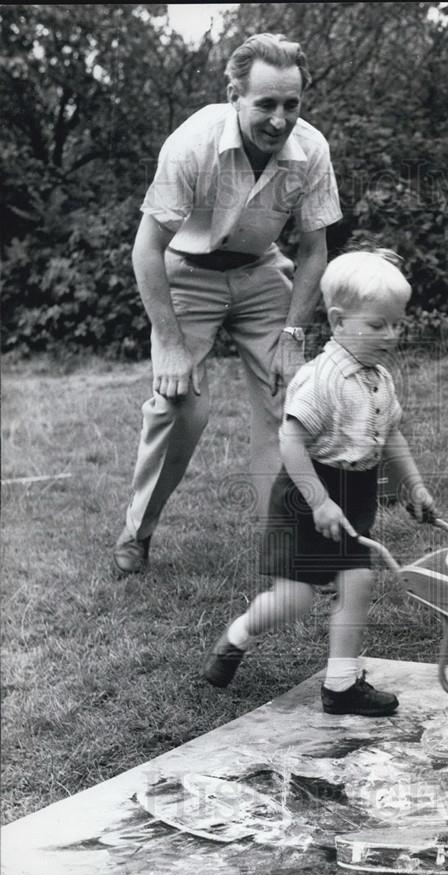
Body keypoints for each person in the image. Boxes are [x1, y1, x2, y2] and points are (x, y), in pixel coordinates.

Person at [112, 33, 342, 575]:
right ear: (234, 94)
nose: (279, 119)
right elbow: (147, 247)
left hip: (261, 272)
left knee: (291, 400)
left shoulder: (312, 151)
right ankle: (137, 532)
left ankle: (283, 546)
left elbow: (314, 251)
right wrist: (168, 343)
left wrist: (292, 337)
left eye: (292, 104)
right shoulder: (192, 142)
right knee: (180, 405)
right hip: (188, 274)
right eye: (266, 103)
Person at [202, 249, 436, 716]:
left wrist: (413, 486)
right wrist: (320, 502)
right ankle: (238, 635)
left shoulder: (379, 379)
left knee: (358, 581)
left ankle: (341, 685)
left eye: (396, 324)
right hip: (307, 495)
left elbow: (391, 436)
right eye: (377, 325)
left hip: (354, 495)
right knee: (295, 597)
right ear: (338, 319)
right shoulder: (320, 378)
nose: (390, 334)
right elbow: (290, 440)